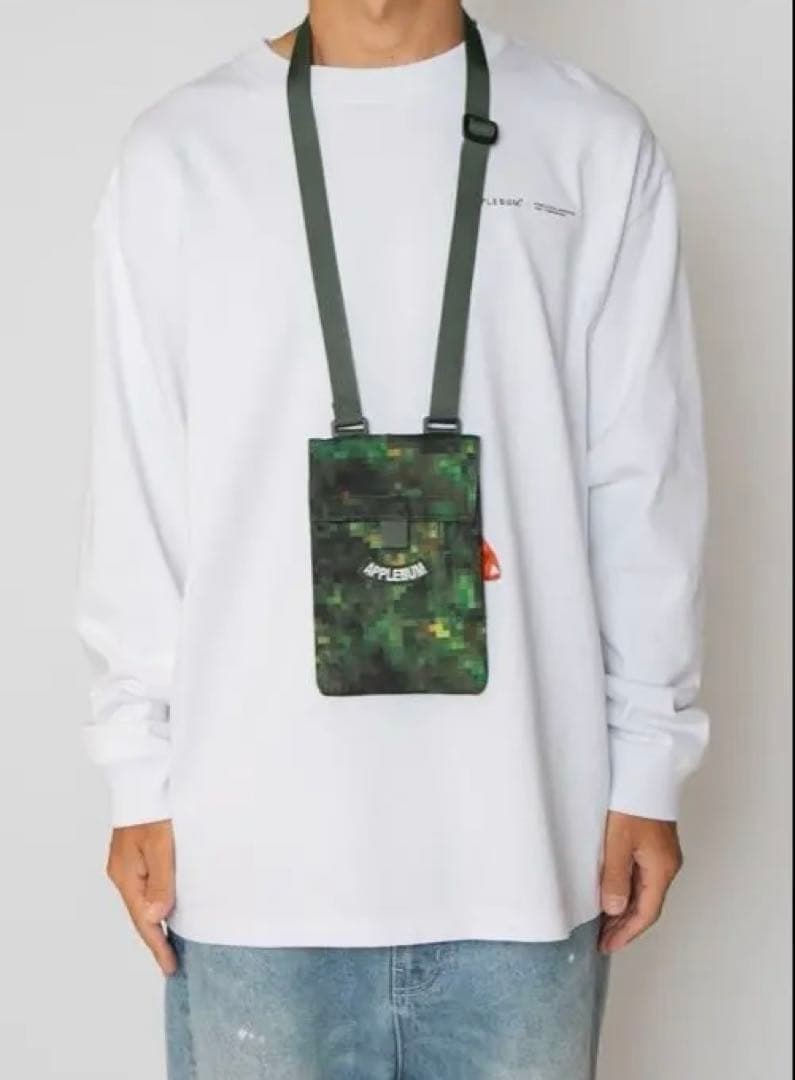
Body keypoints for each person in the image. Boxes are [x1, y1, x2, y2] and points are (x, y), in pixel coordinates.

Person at [76, 1, 709, 1077]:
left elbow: (643, 475)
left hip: (524, 846)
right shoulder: (178, 154)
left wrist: (650, 761)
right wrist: (137, 772)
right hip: (253, 858)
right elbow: (141, 483)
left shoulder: (592, 141)